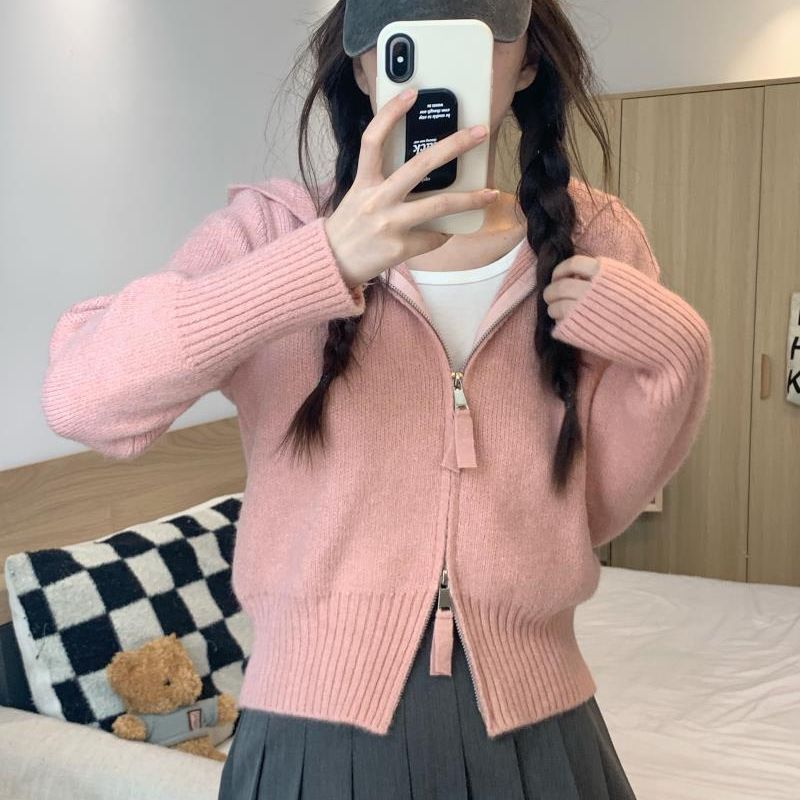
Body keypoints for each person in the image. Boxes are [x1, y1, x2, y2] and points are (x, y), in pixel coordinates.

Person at [41, 1, 713, 798]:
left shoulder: (594, 239)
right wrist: (322, 259)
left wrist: (679, 354)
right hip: (311, 730)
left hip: (542, 721)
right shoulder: (273, 230)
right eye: (406, 44)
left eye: (474, 41)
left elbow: (587, 510)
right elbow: (82, 396)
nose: (440, 74)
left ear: (528, 62)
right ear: (364, 67)